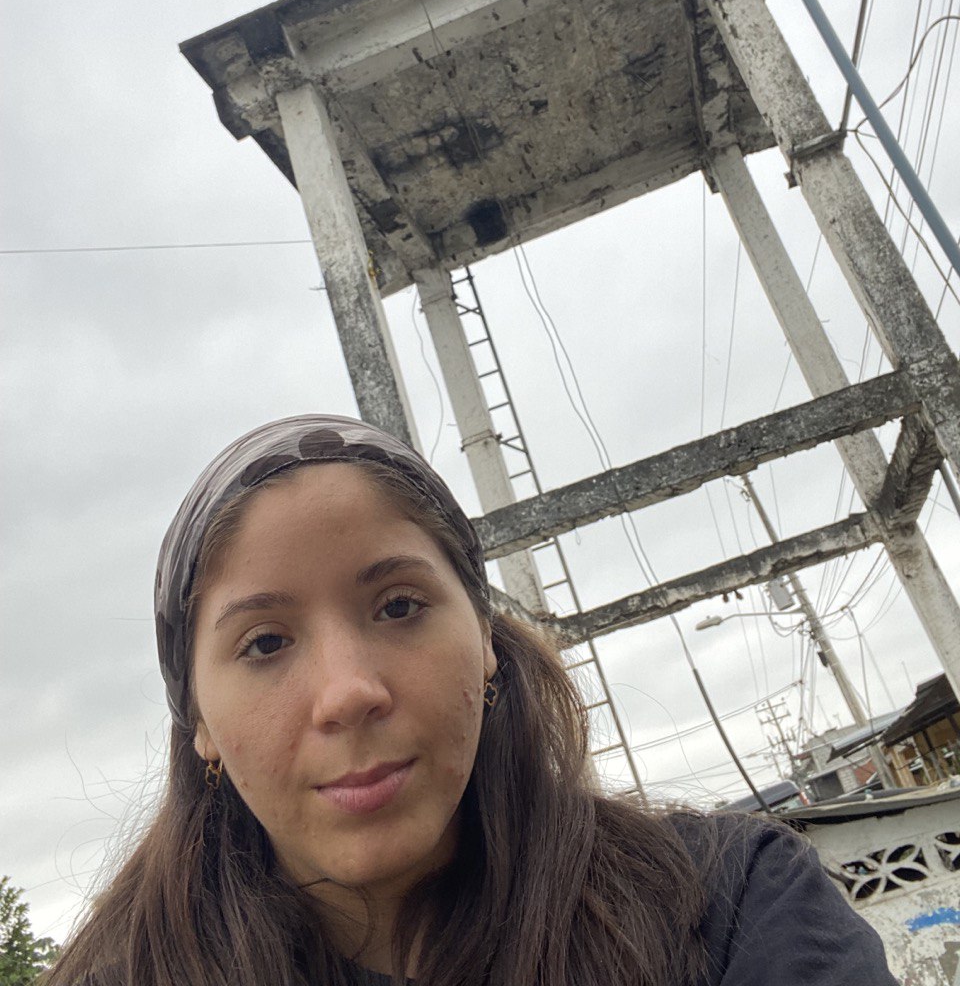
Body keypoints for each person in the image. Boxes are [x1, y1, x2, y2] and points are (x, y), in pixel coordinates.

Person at [45, 415, 897, 986]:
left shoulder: (729, 906)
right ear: (198, 722)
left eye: (398, 606)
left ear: (485, 638)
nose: (348, 693)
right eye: (265, 643)